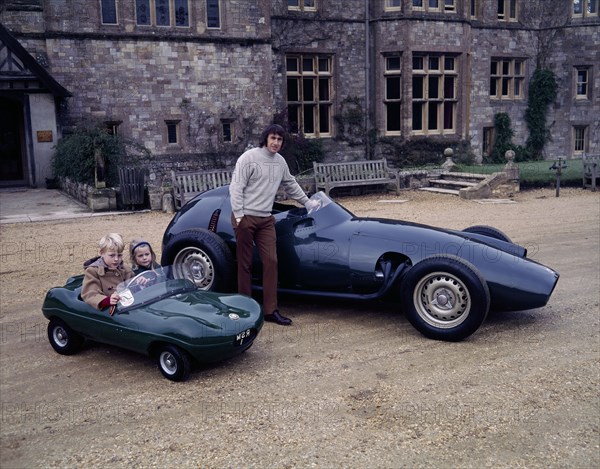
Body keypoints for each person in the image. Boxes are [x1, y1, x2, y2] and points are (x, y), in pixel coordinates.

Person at [229, 123, 318, 326]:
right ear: (265, 139)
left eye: (279, 139)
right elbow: (236, 187)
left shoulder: (280, 162)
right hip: (245, 217)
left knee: (271, 261)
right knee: (245, 264)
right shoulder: (249, 158)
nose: (276, 142)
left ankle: (270, 310)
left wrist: (307, 202)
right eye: (273, 138)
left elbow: (290, 184)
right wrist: (240, 215)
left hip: (265, 219)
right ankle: (245, 308)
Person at [82, 233, 134, 311]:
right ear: (102, 253)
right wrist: (107, 300)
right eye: (112, 255)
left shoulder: (125, 269)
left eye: (119, 255)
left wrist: (140, 282)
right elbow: (90, 294)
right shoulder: (93, 271)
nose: (116, 259)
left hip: (127, 307)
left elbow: (133, 286)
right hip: (107, 311)